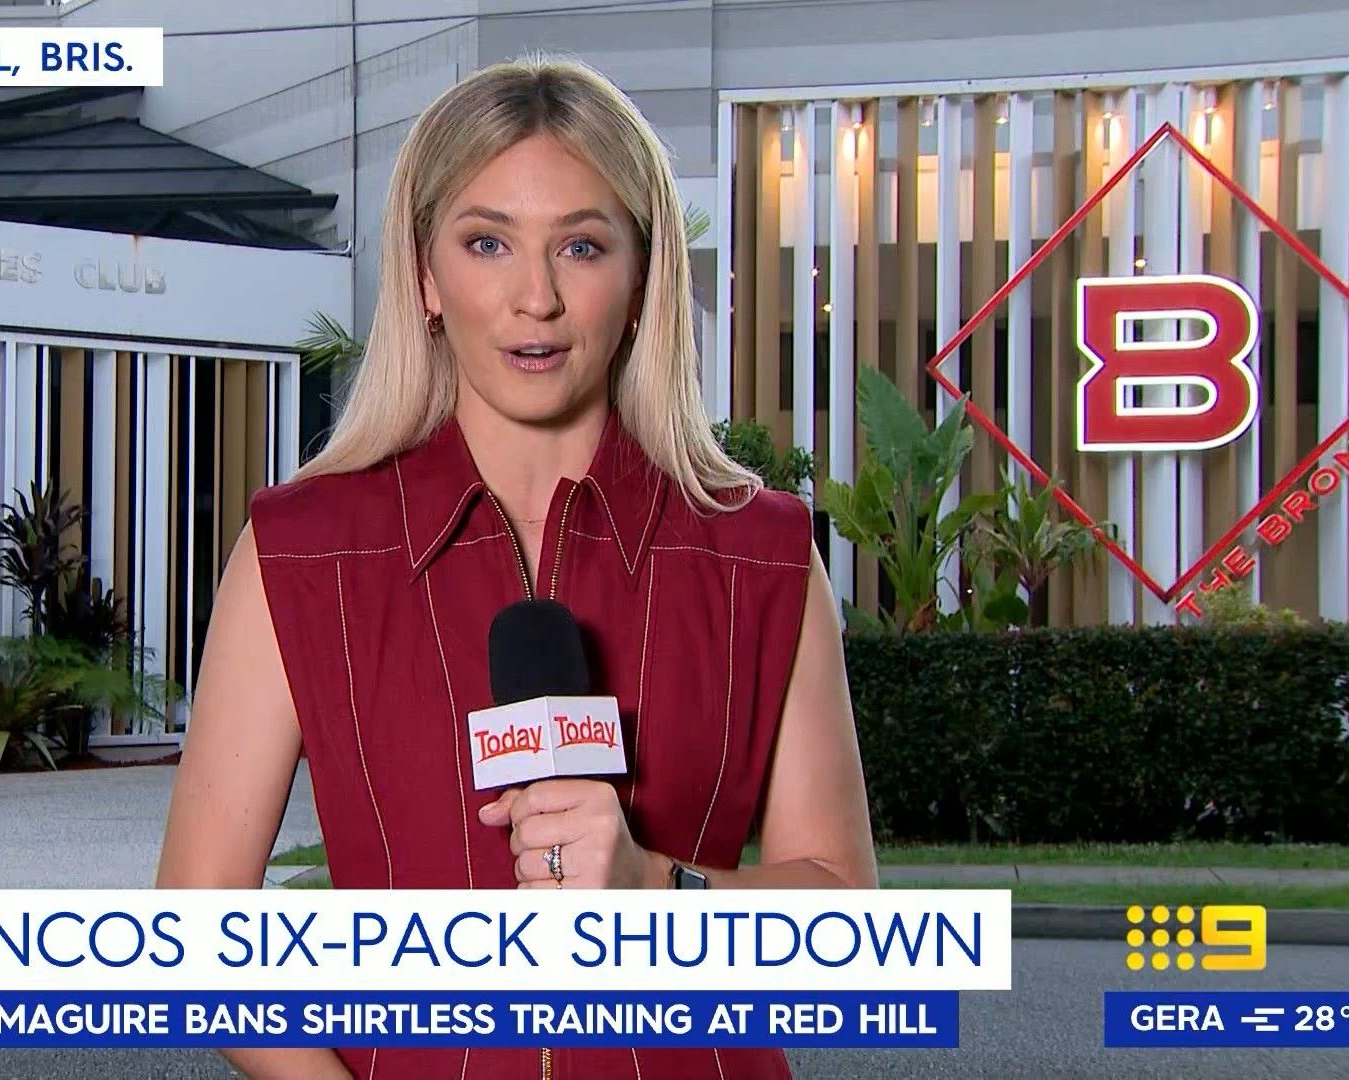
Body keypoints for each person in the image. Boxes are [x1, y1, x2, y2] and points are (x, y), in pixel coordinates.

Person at [157, 53, 877, 1080]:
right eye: (487, 242)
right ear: (425, 275)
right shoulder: (299, 553)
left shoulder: (761, 555)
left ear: (640, 278)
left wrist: (656, 892)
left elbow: (848, 924)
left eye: (581, 246)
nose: (535, 298)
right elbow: (199, 932)